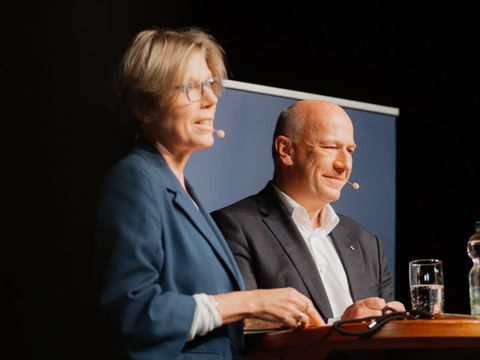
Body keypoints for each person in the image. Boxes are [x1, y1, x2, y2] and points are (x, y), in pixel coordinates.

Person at [95, 28, 324, 360]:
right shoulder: (134, 179)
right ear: (145, 106)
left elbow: (212, 318)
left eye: (211, 85)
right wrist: (253, 300)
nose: (211, 99)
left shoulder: (181, 188)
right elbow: (135, 313)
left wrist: (314, 318)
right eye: (191, 87)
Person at [212, 100, 405, 326]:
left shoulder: (367, 243)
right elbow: (243, 331)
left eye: (350, 150)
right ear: (286, 150)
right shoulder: (234, 227)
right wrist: (342, 326)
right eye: (330, 147)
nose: (344, 165)